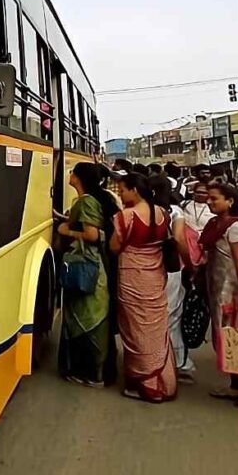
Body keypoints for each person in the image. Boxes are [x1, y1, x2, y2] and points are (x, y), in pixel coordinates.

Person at [109, 173, 177, 402]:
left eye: (123, 190)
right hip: (155, 277)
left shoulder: (125, 216)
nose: (121, 194)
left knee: (135, 330)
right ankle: (164, 382)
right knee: (155, 329)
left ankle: (147, 384)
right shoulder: (162, 213)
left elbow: (114, 247)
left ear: (134, 190)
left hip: (131, 277)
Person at [200, 183, 238, 410]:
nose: (209, 201)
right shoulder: (216, 224)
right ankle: (237, 384)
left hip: (234, 291)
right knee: (224, 339)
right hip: (218, 289)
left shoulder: (237, 228)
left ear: (230, 201)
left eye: (214, 198)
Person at [57, 162, 116, 387]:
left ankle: (93, 373)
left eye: (72, 173)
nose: (69, 175)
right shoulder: (93, 200)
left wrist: (66, 230)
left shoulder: (86, 202)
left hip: (87, 266)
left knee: (87, 316)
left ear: (79, 178)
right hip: (94, 265)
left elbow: (91, 234)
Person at [150, 174, 194, 381]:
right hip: (171, 266)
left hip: (149, 266)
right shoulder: (174, 212)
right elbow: (179, 240)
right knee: (173, 314)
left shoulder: (145, 211)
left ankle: (154, 361)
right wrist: (190, 264)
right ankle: (179, 363)